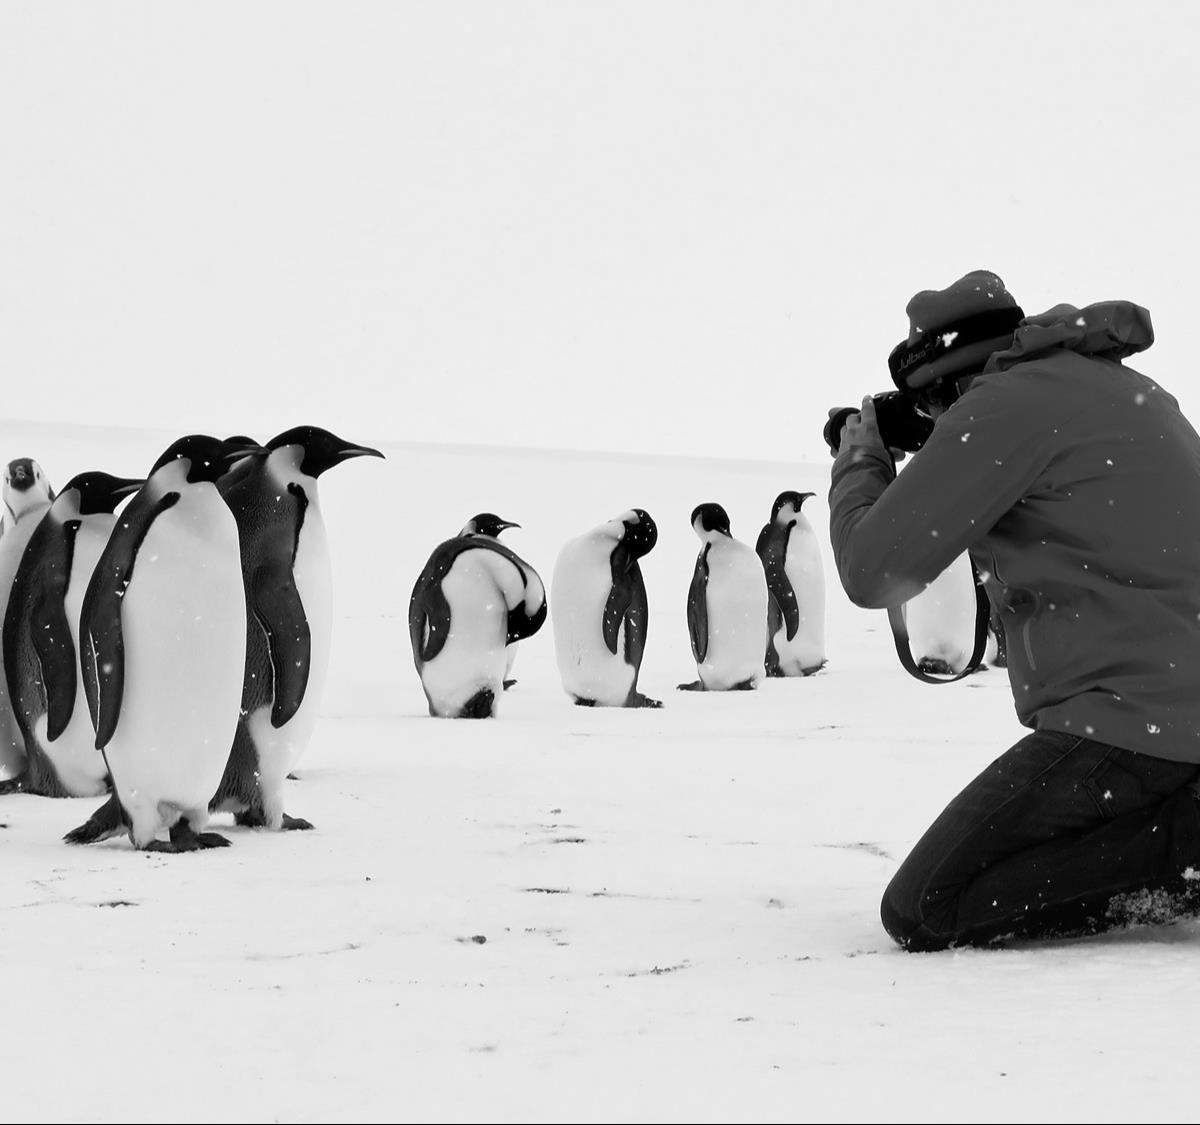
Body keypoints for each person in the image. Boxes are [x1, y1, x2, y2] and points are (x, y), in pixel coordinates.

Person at [828, 269, 1200, 951]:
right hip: (1174, 702)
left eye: (938, 406)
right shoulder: (1114, 387)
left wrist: (860, 460)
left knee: (928, 904)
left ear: (948, 381)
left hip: (1135, 720)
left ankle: (1184, 852)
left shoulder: (1005, 407)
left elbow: (870, 571)